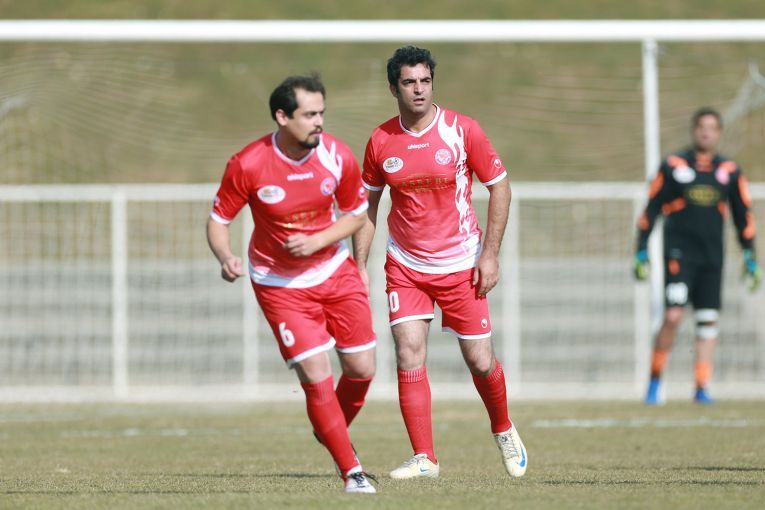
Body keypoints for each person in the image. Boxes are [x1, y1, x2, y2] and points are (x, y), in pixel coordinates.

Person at [352, 45, 526, 480]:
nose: (419, 89)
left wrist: (490, 254)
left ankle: (503, 427)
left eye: (425, 81)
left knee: (480, 361)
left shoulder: (462, 130)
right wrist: (358, 266)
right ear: (393, 88)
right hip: (405, 265)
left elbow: (500, 187)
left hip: (462, 262)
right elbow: (366, 208)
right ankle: (424, 457)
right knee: (408, 352)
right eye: (409, 82)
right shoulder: (380, 141)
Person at [206, 74, 378, 493]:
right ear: (282, 117)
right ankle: (352, 472)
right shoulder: (248, 163)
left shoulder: (336, 155)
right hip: (279, 283)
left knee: (362, 369)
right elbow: (218, 220)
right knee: (316, 373)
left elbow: (357, 214)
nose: (319, 122)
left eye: (322, 113)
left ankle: (328, 426)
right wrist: (226, 257)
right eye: (309, 114)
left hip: (335, 271)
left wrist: (320, 242)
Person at [634, 107, 761, 405]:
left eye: (712, 128)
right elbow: (651, 207)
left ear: (719, 133)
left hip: (712, 258)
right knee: (673, 315)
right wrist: (641, 248)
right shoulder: (674, 166)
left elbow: (743, 214)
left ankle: (702, 387)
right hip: (679, 255)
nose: (706, 132)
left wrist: (750, 255)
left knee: (707, 321)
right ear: (693, 130)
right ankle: (655, 381)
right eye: (701, 127)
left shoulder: (729, 171)